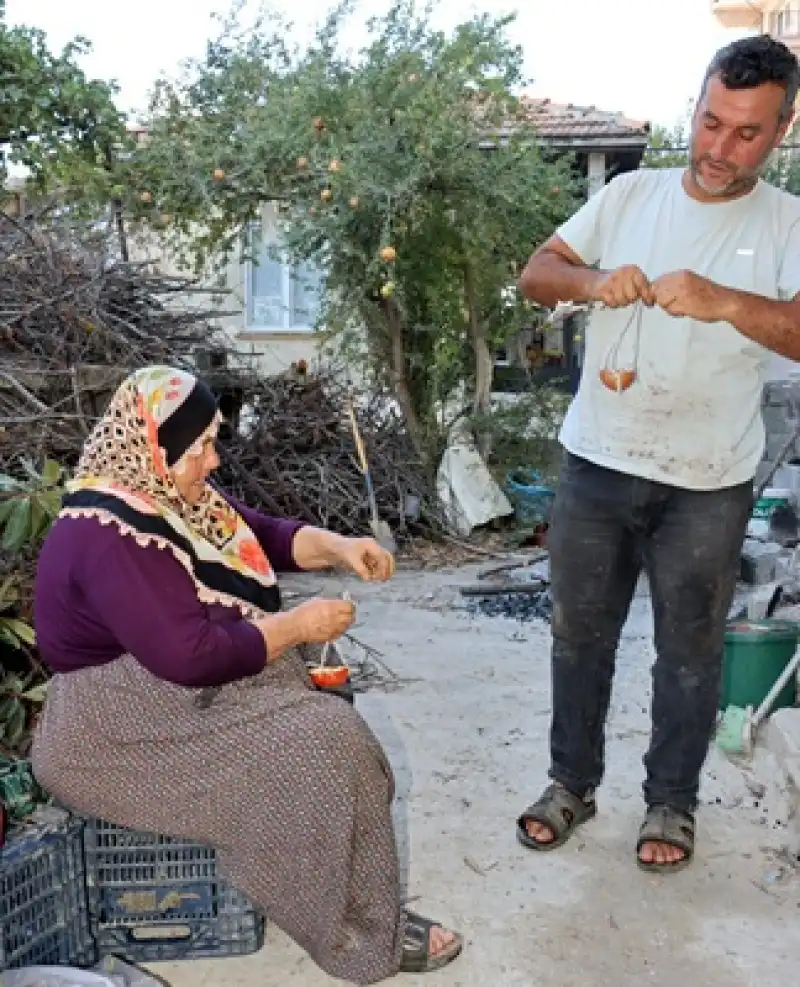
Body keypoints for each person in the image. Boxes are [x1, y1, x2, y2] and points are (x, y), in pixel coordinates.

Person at [31, 365, 463, 983]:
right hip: (107, 732)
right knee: (324, 744)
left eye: (214, 440)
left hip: (160, 696)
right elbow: (191, 656)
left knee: (324, 715)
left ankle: (365, 904)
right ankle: (359, 935)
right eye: (202, 444)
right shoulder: (113, 534)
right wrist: (298, 625)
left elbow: (261, 536)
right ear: (156, 445)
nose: (214, 459)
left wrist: (339, 546)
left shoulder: (161, 496)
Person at [515, 34, 800, 874]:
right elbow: (538, 272)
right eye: (711, 122)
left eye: (747, 132)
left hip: (709, 478)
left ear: (781, 130)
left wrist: (721, 301)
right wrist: (592, 282)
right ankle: (571, 781)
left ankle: (671, 801)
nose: (720, 147)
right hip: (599, 459)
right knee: (578, 635)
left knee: (689, 651)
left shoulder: (788, 223)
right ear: (697, 106)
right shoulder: (632, 194)